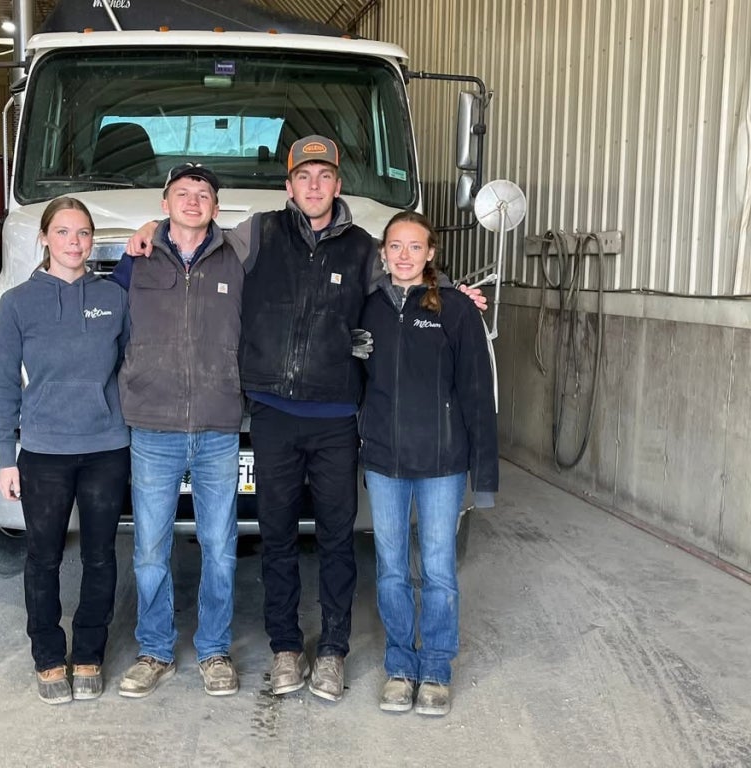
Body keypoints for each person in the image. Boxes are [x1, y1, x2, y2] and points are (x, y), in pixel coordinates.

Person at [129, 135, 484, 703]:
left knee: (338, 540)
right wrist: (149, 228)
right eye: (303, 177)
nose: (313, 186)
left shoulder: (366, 249)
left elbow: (407, 283)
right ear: (288, 185)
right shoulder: (258, 233)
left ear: (337, 184)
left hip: (337, 417)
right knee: (276, 537)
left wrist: (456, 296)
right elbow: (192, 232)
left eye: (324, 176)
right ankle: (286, 648)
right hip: (271, 414)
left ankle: (335, 651)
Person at [0, 196, 131, 705]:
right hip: (44, 451)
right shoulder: (18, 304)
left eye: (84, 234)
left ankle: (89, 652)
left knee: (99, 557)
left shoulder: (114, 297)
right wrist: (8, 455)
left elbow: (135, 359)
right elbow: (4, 382)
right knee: (42, 558)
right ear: (45, 238)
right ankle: (48, 656)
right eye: (65, 232)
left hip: (106, 448)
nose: (75, 242)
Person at [359, 211, 498, 717]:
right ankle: (400, 665)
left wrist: (483, 477)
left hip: (442, 462)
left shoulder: (457, 309)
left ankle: (436, 667)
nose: (403, 255)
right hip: (385, 460)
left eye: (414, 247)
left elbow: (477, 393)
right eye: (395, 246)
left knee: (438, 569)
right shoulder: (368, 308)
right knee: (392, 569)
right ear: (383, 252)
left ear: (431, 253)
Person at [115, 164, 246, 699]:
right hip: (154, 426)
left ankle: (215, 651)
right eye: (183, 193)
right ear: (165, 202)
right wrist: (7, 323)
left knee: (220, 546)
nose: (194, 201)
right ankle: (156, 650)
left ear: (216, 207)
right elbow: (87, 307)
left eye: (204, 194)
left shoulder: (239, 258)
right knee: (150, 548)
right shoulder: (134, 261)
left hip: (218, 424)